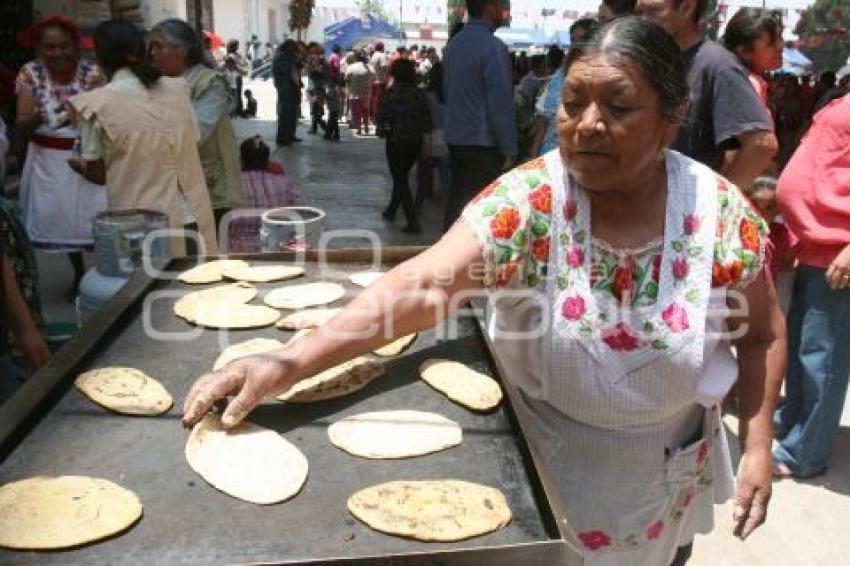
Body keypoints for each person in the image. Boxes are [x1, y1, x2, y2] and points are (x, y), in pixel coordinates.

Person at [183, 18, 783, 565]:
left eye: (619, 106)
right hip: (541, 472)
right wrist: (288, 362)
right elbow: (422, 284)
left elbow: (762, 335)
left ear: (670, 120)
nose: (588, 125)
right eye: (572, 103)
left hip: (663, 482)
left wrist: (757, 445)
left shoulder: (717, 215)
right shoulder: (532, 203)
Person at [68, 19, 218, 258]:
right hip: (192, 214)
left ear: (99, 59)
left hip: (142, 225)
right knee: (195, 286)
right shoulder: (178, 89)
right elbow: (192, 141)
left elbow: (98, 175)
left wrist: (80, 166)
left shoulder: (95, 104)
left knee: (149, 292)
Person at [772, 92, 850, 480]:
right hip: (818, 247)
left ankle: (805, 453)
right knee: (804, 346)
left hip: (839, 255)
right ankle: (793, 422)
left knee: (825, 357)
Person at [638, 0, 778, 192]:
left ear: (687, 7)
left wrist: (719, 202)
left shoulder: (717, 65)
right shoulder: (649, 61)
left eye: (653, 12)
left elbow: (761, 144)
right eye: (640, 13)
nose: (643, 22)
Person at [14, 15, 106, 295]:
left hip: (88, 155)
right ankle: (79, 272)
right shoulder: (30, 74)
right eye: (50, 48)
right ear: (40, 50)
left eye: (64, 46)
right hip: (48, 161)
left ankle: (102, 273)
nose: (58, 53)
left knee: (97, 215)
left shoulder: (92, 74)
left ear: (76, 47)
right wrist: (35, 118)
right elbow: (21, 124)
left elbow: (104, 116)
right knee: (63, 221)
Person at [149, 19, 246, 232]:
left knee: (203, 257)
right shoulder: (159, 84)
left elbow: (194, 135)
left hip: (210, 192)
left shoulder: (210, 84)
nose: (152, 53)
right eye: (151, 47)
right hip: (172, 190)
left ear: (182, 51)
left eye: (159, 46)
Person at [442, 0, 517, 232]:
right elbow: (500, 103)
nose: (507, 10)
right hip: (482, 143)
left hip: (456, 138)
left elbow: (447, 92)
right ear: (490, 8)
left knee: (457, 206)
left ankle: (448, 256)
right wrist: (510, 149)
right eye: (504, 5)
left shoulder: (454, 45)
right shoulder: (493, 47)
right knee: (480, 215)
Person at [377, 59, 432, 234]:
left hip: (396, 141)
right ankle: (392, 210)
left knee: (400, 179)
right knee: (401, 176)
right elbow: (427, 120)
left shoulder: (391, 93)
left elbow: (384, 117)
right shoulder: (419, 93)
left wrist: (382, 132)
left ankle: (412, 220)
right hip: (415, 142)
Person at [530, 20, 598, 158]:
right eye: (573, 39)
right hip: (550, 150)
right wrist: (534, 150)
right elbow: (545, 118)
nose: (577, 44)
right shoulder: (560, 74)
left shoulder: (600, 74)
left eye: (582, 39)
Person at [227, 136, 303, 253]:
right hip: (275, 252)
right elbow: (300, 211)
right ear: (268, 162)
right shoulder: (284, 183)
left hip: (236, 253)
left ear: (241, 161)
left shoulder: (231, 186)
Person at [722, 8, 784, 110]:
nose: (780, 46)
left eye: (780, 37)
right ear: (744, 51)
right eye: (771, 43)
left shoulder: (730, 80)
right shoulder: (751, 86)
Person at [272, 40, 302, 146]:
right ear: (288, 47)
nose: (294, 51)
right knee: (285, 114)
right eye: (293, 49)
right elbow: (284, 71)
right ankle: (282, 137)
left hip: (292, 89)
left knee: (293, 114)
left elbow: (295, 70)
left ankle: (290, 135)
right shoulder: (280, 57)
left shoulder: (289, 57)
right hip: (285, 89)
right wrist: (293, 62)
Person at [344, 51, 373, 136]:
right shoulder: (369, 67)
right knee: (366, 111)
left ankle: (359, 129)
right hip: (366, 93)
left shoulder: (351, 67)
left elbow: (346, 79)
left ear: (355, 58)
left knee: (357, 112)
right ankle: (366, 128)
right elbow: (374, 76)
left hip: (354, 93)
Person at [223, 39, 250, 116]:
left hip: (233, 77)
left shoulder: (227, 55)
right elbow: (244, 64)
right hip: (236, 77)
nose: (238, 47)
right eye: (237, 46)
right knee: (237, 94)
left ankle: (234, 110)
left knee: (235, 94)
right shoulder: (235, 56)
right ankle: (237, 110)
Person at [369, 42, 390, 124]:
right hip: (380, 82)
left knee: (374, 100)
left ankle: (373, 118)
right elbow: (384, 67)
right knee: (380, 101)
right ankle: (379, 119)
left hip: (373, 81)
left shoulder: (373, 56)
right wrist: (387, 79)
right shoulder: (382, 55)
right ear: (382, 48)